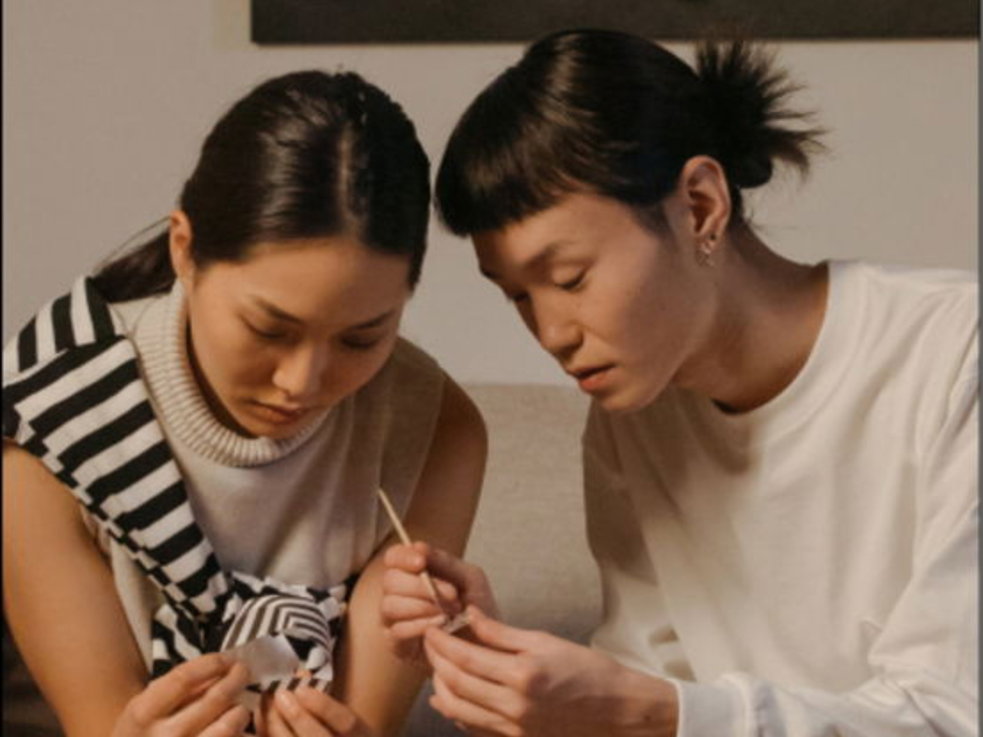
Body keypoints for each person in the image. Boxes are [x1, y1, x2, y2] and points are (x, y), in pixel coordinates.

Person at [380, 29, 977, 736]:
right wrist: (504, 677)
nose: (551, 333)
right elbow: (649, 690)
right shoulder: (631, 416)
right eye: (517, 295)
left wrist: (648, 710)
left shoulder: (954, 354)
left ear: (699, 205)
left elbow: (954, 714)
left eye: (569, 278)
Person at [2, 70, 487, 737]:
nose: (302, 382)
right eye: (269, 329)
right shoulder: (50, 420)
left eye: (360, 337)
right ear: (184, 249)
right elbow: (99, 720)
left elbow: (362, 722)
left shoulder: (432, 426)